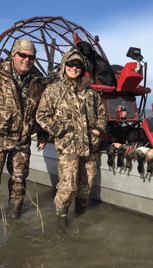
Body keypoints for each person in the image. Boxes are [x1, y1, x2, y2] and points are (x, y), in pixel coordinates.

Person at [36, 50, 107, 227]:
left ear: (83, 68)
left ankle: (81, 219)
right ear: (64, 65)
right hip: (68, 149)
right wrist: (59, 132)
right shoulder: (53, 90)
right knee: (68, 187)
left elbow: (102, 113)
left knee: (88, 183)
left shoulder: (91, 92)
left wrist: (98, 130)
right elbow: (41, 115)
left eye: (78, 65)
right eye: (70, 64)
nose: (74, 68)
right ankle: (62, 227)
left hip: (90, 147)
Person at [0, 39, 48, 219]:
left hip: (22, 141)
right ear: (14, 55)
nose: (27, 59)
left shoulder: (38, 82)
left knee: (19, 184)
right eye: (23, 55)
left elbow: (41, 111)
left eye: (31, 57)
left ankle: (13, 223)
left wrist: (43, 134)